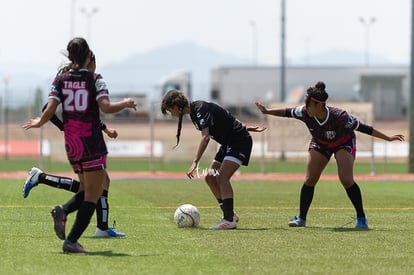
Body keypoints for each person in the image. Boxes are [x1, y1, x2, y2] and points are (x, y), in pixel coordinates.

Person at [23, 37, 136, 253]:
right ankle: (70, 238)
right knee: (94, 194)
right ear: (87, 56)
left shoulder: (60, 80)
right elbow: (106, 107)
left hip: (72, 144)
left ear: (70, 56)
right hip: (91, 141)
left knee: (85, 190)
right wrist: (126, 103)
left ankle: (63, 213)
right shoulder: (95, 79)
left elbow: (50, 108)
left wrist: (39, 122)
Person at [255, 81, 405, 229]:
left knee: (346, 179)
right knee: (310, 179)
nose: (306, 108)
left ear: (320, 105)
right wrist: (267, 111)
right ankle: (301, 218)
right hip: (321, 144)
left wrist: (388, 138)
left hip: (343, 143)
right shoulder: (305, 112)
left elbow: (364, 128)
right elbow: (287, 112)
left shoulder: (340, 117)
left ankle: (361, 218)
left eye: (310, 105)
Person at [161, 89, 265, 229]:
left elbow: (205, 136)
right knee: (210, 178)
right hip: (229, 142)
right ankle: (230, 214)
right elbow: (225, 119)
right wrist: (246, 127)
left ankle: (229, 220)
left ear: (176, 106)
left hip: (239, 141)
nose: (170, 113)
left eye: (169, 110)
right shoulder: (194, 113)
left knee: (222, 177)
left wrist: (195, 162)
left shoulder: (200, 108)